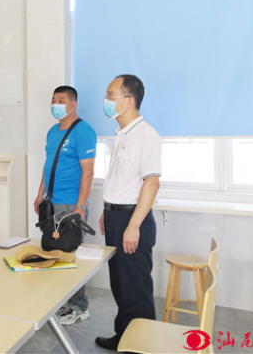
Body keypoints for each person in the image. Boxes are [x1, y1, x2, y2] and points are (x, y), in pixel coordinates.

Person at [95, 74, 161, 351]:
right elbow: (122, 180)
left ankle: (141, 346)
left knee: (136, 287)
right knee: (120, 284)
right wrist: (107, 209)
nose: (106, 100)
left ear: (129, 100)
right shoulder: (123, 134)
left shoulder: (146, 135)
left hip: (132, 219)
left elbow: (151, 183)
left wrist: (133, 226)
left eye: (111, 95)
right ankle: (124, 336)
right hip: (115, 216)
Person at [33, 85, 96, 325]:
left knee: (72, 254)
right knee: (54, 252)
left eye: (61, 100)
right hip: (51, 202)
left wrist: (80, 207)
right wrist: (40, 194)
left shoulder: (83, 130)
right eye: (53, 100)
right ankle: (62, 301)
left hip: (71, 204)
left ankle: (79, 307)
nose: (55, 105)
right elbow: (48, 165)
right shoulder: (52, 132)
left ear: (73, 104)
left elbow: (88, 172)